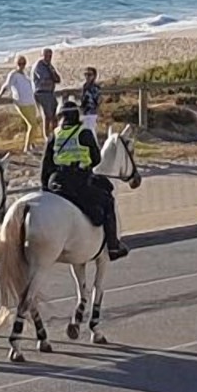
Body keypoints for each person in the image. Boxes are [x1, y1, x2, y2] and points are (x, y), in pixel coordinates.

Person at [40, 99, 129, 260]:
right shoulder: (85, 132)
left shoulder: (54, 134)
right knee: (107, 201)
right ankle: (113, 246)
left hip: (56, 181)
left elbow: (46, 163)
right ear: (76, 115)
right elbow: (96, 159)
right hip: (77, 179)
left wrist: (44, 188)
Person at [0, 55, 38, 152]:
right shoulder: (13, 74)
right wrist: (0, 95)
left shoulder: (25, 74)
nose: (22, 65)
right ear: (16, 64)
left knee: (34, 124)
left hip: (31, 101)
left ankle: (32, 144)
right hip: (22, 102)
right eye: (20, 63)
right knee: (32, 125)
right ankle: (26, 148)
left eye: (23, 63)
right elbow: (7, 85)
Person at [33, 48, 62, 134]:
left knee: (54, 114)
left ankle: (54, 133)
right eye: (46, 55)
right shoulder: (39, 65)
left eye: (50, 55)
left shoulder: (49, 65)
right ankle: (47, 136)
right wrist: (52, 78)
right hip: (42, 92)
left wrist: (53, 77)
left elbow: (57, 79)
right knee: (47, 116)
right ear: (42, 55)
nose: (48, 57)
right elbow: (46, 79)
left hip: (50, 92)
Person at [80, 66, 101, 133]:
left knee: (91, 130)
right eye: (85, 74)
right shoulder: (84, 86)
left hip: (92, 112)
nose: (87, 77)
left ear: (94, 76)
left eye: (89, 75)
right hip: (84, 112)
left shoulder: (96, 87)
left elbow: (97, 100)